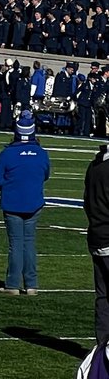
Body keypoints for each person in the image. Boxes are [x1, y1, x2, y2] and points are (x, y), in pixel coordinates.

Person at [0, 110, 50, 295]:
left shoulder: (8, 154)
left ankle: (13, 284)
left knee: (16, 244)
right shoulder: (41, 153)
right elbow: (45, 175)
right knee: (29, 243)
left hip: (13, 203)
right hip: (34, 202)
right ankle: (31, 284)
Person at [85, 136, 109, 342]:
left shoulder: (94, 166)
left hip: (96, 236)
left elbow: (87, 203)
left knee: (102, 297)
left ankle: (103, 346)